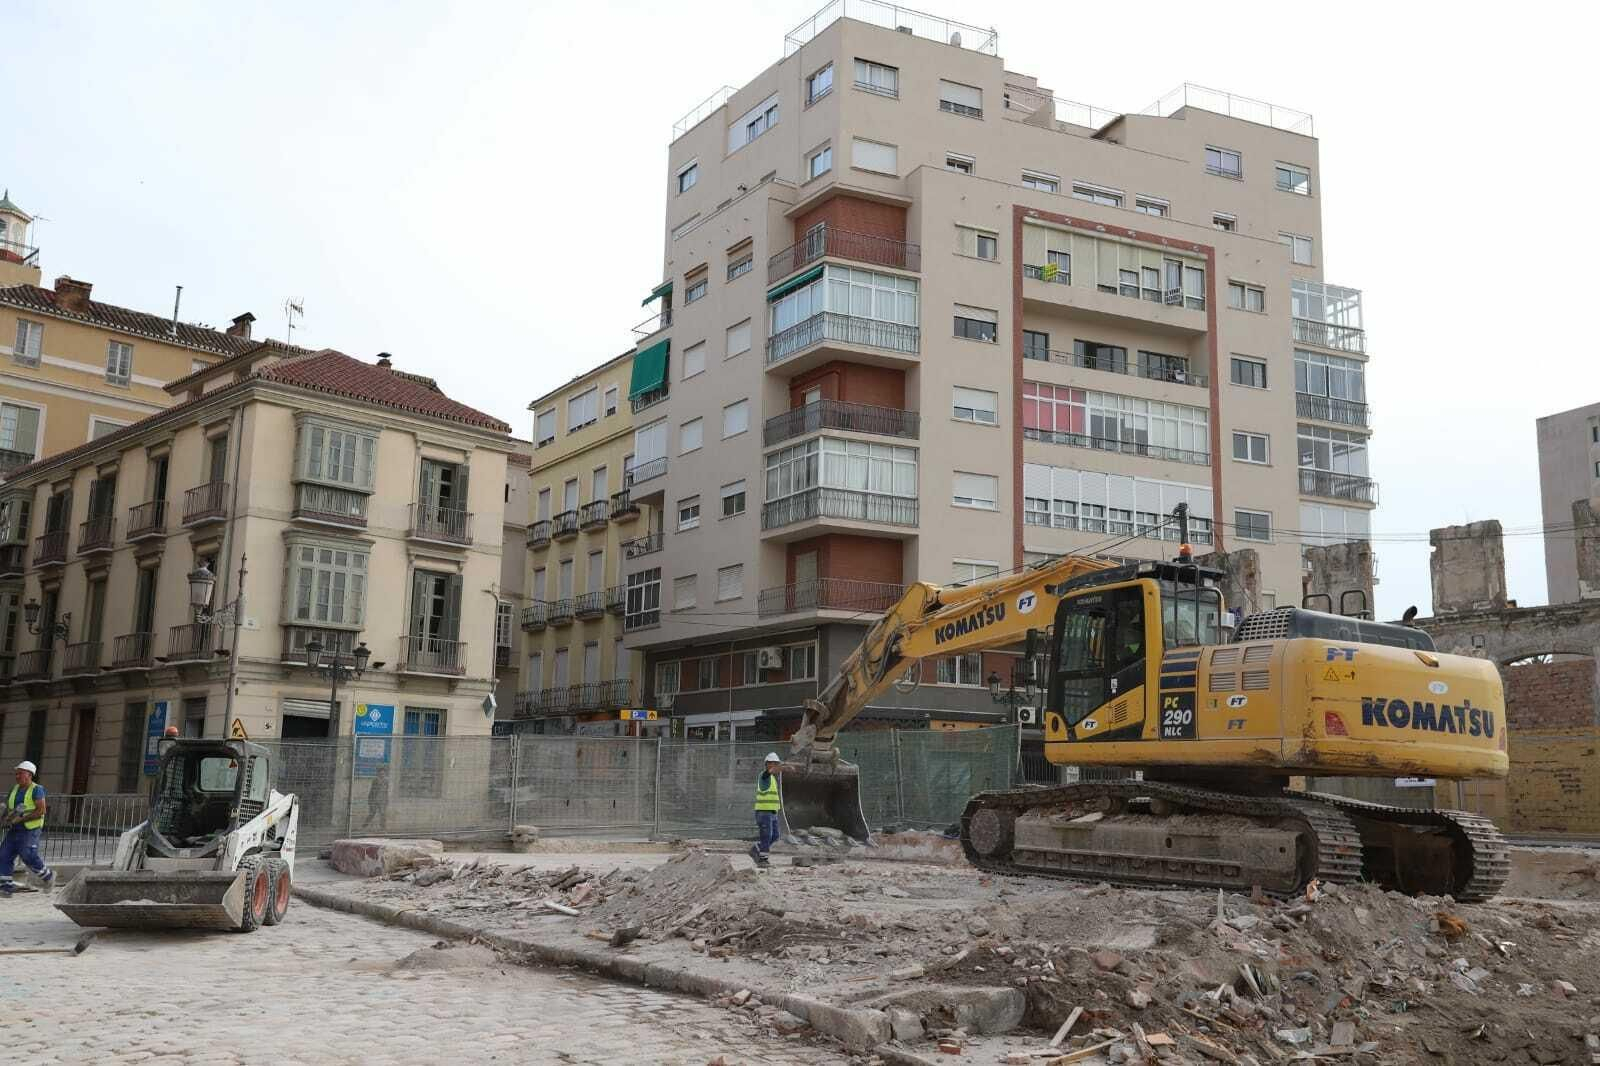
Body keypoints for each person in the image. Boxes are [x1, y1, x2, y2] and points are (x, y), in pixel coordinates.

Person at [1, 760, 54, 896]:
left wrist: (21, 819)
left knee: (27, 854)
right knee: (4, 855)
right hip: (15, 828)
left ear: (29, 775)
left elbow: (41, 810)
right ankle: (6, 888)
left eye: (20, 773)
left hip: (31, 829)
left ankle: (48, 876)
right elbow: (8, 807)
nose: (17, 776)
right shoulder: (14, 789)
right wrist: (4, 816)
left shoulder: (37, 789)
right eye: (17, 773)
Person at [749, 753, 783, 868]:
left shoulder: (772, 778)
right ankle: (763, 860)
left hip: (772, 812)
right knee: (766, 836)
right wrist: (782, 767)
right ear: (767, 764)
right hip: (764, 812)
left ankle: (756, 849)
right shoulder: (764, 776)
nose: (774, 765)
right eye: (772, 763)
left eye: (776, 763)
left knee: (775, 836)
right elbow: (768, 773)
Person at [363, 761, 390, 832]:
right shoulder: (375, 780)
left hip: (382, 800)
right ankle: (364, 826)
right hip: (374, 800)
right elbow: (372, 790)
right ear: (378, 773)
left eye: (383, 773)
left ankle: (383, 828)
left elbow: (386, 791)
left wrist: (386, 800)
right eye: (380, 773)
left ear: (385, 773)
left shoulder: (386, 781)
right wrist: (370, 800)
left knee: (383, 814)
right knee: (372, 814)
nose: (382, 774)